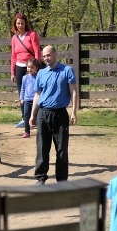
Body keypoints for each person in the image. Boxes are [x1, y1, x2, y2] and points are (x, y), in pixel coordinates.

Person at [29, 45, 79, 184]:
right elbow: (37, 95)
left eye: (48, 55)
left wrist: (74, 112)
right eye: (44, 56)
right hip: (43, 114)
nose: (46, 58)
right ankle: (40, 178)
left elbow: (74, 92)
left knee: (62, 149)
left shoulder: (67, 70)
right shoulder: (41, 73)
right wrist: (33, 115)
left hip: (60, 114)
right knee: (42, 148)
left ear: (55, 54)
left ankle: (62, 180)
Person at [10, 12, 41, 129]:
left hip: (31, 67)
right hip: (19, 67)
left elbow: (37, 51)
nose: (20, 25)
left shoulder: (32, 34)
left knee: (35, 92)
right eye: (18, 23)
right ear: (15, 24)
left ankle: (35, 118)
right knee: (22, 94)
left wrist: (36, 67)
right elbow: (13, 55)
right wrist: (12, 72)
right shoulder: (14, 38)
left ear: (25, 23)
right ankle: (24, 118)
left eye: (22, 23)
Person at [19, 58, 39, 139]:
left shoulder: (38, 77)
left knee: (37, 116)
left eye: (32, 67)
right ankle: (27, 131)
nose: (29, 69)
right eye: (28, 67)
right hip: (27, 100)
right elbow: (23, 88)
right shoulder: (24, 78)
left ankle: (40, 131)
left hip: (36, 100)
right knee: (26, 116)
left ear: (36, 68)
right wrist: (22, 98)